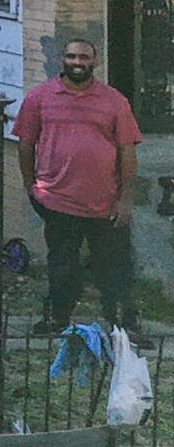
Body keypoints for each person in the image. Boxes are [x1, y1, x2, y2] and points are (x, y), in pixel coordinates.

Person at [13, 37, 143, 339]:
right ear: (62, 60)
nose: (78, 62)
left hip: (106, 204)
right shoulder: (39, 98)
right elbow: (25, 144)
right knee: (62, 267)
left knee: (115, 268)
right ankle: (56, 319)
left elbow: (127, 152)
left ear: (95, 62)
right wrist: (30, 185)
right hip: (57, 201)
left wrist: (125, 199)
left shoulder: (114, 101)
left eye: (84, 57)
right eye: (72, 56)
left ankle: (125, 325)